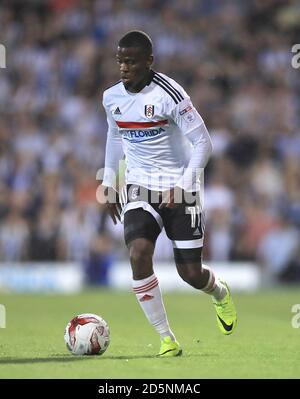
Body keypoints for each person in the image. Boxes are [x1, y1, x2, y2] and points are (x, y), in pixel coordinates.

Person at [99, 30, 237, 357]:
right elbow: (115, 137)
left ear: (149, 61)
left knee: (191, 274)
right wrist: (108, 180)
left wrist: (184, 186)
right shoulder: (111, 98)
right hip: (139, 187)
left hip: (180, 189)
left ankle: (219, 292)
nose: (123, 68)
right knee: (138, 254)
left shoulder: (170, 95)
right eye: (120, 61)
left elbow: (204, 143)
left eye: (131, 61)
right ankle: (166, 338)